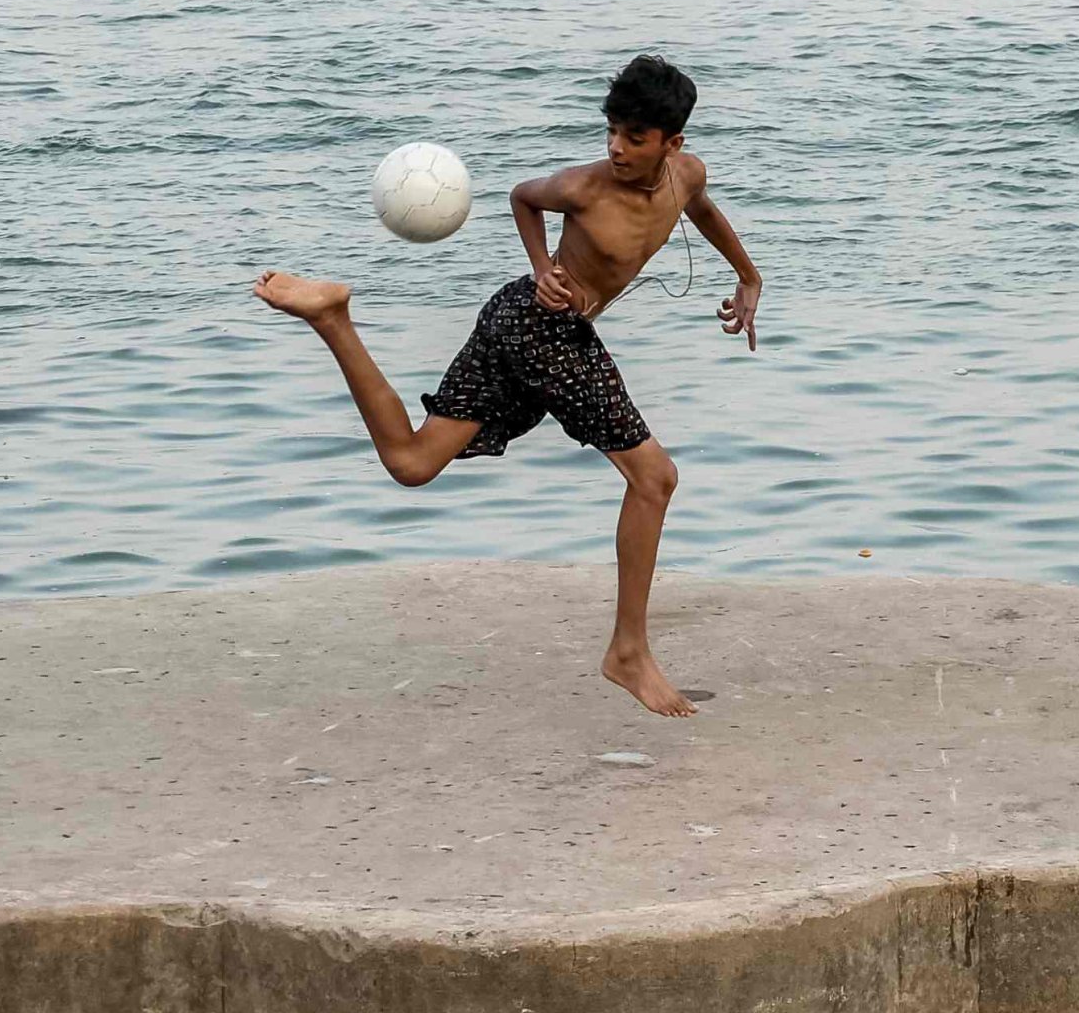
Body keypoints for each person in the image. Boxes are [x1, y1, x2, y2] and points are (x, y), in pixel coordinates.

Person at [255, 55, 763, 719]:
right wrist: (542, 264)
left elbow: (702, 210)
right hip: (540, 327)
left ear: (673, 144)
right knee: (654, 478)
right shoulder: (584, 187)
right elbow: (524, 195)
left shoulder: (687, 176)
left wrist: (748, 276)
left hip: (517, 323)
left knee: (412, 463)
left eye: (634, 138)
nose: (616, 147)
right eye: (611, 130)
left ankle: (333, 319)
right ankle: (628, 654)